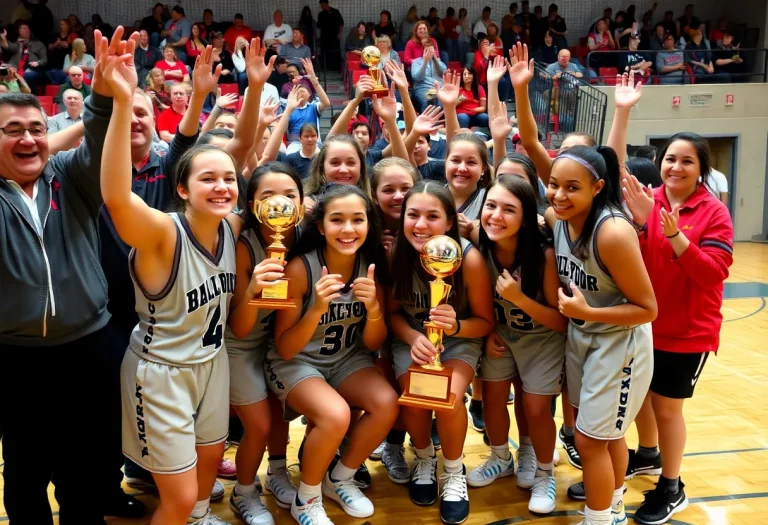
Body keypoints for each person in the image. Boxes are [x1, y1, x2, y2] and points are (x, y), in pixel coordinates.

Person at [100, 42, 257, 524]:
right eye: (208, 179)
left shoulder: (233, 228)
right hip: (161, 373)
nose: (222, 187)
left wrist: (252, 89)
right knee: (180, 496)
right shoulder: (164, 233)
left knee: (208, 474)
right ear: (183, 189)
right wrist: (124, 103)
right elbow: (115, 195)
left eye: (228, 180)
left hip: (211, 365)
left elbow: (246, 148)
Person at [0, 27, 145, 525]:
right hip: (15, 359)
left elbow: (103, 140)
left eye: (37, 128)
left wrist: (104, 92)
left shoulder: (69, 174)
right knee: (24, 473)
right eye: (12, 129)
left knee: (86, 470)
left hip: (90, 347)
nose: (28, 139)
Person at [268, 184, 398, 525]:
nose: (348, 229)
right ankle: (306, 499)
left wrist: (372, 308)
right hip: (296, 361)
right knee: (336, 415)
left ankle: (338, 478)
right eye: (337, 220)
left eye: (357, 219)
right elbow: (284, 346)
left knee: (387, 403)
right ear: (321, 226)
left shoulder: (371, 266)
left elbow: (373, 343)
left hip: (345, 358)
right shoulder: (300, 269)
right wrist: (316, 310)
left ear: (368, 224)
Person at [621, 132, 733, 525]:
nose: (675, 167)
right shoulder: (646, 199)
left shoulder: (714, 212)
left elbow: (714, 273)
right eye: (670, 158)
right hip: (643, 324)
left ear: (702, 168)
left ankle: (672, 485)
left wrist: (676, 237)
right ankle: (648, 455)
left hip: (688, 331)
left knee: (667, 408)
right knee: (644, 399)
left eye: (687, 161)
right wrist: (637, 222)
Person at [543, 143, 657, 525]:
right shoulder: (558, 219)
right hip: (584, 335)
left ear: (597, 187)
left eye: (571, 187)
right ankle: (615, 505)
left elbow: (648, 309)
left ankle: (599, 519)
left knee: (590, 440)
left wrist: (588, 311)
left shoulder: (611, 233)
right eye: (553, 184)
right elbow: (530, 146)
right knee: (605, 436)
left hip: (620, 343)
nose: (559, 195)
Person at [388, 181, 494, 525]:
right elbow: (390, 314)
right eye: (412, 215)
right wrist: (410, 336)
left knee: (447, 396)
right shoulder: (397, 256)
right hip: (412, 340)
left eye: (432, 216)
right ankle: (423, 458)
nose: (420, 224)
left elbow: (485, 322)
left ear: (450, 222)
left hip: (460, 341)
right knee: (416, 394)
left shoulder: (470, 258)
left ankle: (452, 470)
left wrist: (456, 327)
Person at [467, 175, 567, 516]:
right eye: (491, 206)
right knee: (492, 397)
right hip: (501, 335)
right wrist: (488, 330)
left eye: (509, 209)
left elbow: (560, 320)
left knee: (536, 409)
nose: (496, 215)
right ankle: (500, 458)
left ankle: (544, 473)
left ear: (526, 218)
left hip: (542, 339)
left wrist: (519, 299)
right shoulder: (480, 240)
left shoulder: (544, 255)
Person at [225, 163, 304, 524]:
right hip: (240, 345)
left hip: (280, 343)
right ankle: (244, 493)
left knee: (279, 412)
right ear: (252, 205)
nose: (280, 204)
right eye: (268, 197)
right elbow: (239, 329)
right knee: (256, 424)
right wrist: (256, 289)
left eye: (290, 195)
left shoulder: (306, 236)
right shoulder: (246, 245)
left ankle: (276, 473)